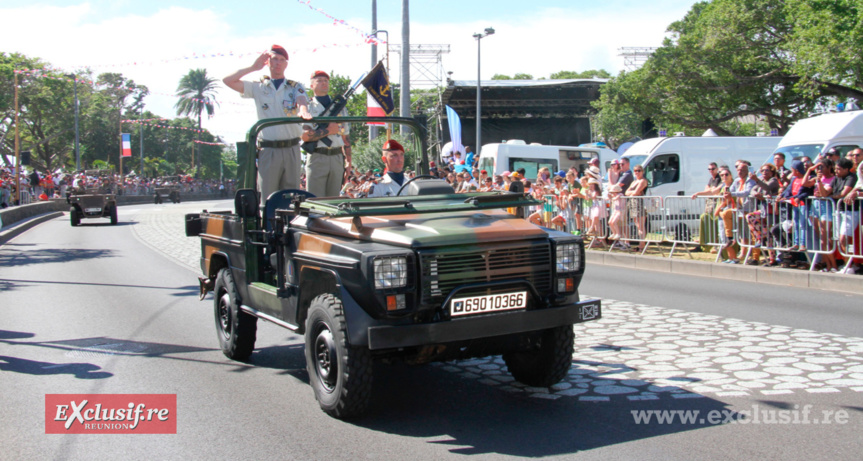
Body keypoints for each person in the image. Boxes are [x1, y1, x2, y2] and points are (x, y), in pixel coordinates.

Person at [223, 44, 312, 206]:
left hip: (291, 148)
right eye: (274, 59)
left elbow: (301, 101)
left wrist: (303, 111)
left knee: (292, 197)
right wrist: (253, 67)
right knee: (268, 196)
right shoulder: (258, 87)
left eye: (282, 60)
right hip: (269, 149)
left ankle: (289, 228)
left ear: (286, 64)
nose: (278, 63)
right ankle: (269, 228)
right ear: (267, 63)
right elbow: (228, 81)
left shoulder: (294, 86)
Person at [302, 71, 351, 197]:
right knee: (315, 200)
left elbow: (346, 136)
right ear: (312, 85)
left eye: (326, 80)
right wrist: (329, 131)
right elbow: (305, 136)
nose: (323, 83)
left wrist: (348, 162)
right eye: (319, 80)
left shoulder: (338, 106)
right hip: (318, 155)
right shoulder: (307, 107)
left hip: (336, 156)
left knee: (334, 199)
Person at [626, 165, 650, 252]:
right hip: (633, 203)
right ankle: (641, 244)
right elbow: (626, 192)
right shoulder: (634, 182)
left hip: (640, 203)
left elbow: (636, 193)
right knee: (637, 225)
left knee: (641, 226)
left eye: (639, 170)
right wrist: (632, 193)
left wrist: (632, 193)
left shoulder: (643, 181)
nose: (637, 172)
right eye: (635, 170)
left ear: (642, 171)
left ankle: (641, 246)